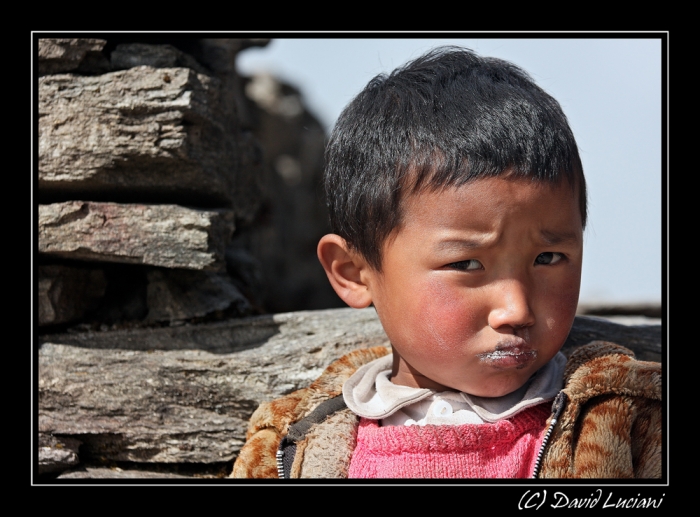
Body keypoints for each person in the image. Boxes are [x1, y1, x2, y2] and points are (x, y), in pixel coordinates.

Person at [231, 47, 661, 479]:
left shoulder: (622, 422)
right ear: (354, 273)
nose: (517, 310)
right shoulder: (292, 445)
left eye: (548, 258)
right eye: (467, 264)